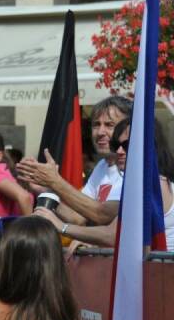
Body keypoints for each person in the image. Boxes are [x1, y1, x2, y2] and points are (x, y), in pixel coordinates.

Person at [35, 120, 174, 251]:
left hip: (162, 270)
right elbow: (81, 216)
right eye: (116, 145)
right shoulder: (147, 181)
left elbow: (112, 233)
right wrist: (47, 191)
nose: (119, 151)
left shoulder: (150, 184)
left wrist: (61, 226)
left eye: (127, 145)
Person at [17, 96, 132, 228]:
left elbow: (103, 215)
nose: (100, 132)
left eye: (109, 125)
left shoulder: (133, 168)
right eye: (96, 124)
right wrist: (45, 189)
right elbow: (78, 217)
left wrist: (55, 181)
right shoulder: (102, 166)